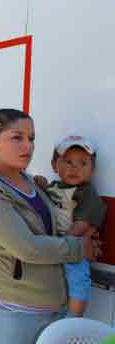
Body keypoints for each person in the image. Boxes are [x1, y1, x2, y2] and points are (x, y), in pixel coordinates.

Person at [0, 109, 101, 344]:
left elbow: (50, 231)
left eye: (31, 138)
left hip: (51, 306)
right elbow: (27, 247)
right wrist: (78, 248)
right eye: (17, 137)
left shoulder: (28, 180)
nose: (28, 146)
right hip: (12, 312)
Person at [37, 135, 106, 317]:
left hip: (74, 248)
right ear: (54, 165)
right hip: (56, 247)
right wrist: (41, 187)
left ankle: (74, 317)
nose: (75, 168)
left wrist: (58, 245)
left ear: (92, 169)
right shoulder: (54, 187)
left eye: (83, 163)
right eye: (68, 162)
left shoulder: (87, 193)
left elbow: (81, 225)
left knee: (78, 280)